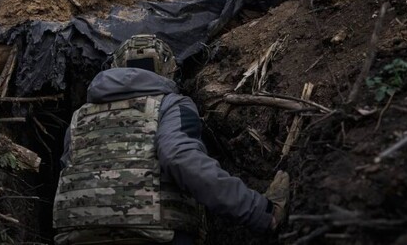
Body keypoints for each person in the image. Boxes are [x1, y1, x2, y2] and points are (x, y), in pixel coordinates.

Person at [53, 34, 290, 244]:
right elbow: (180, 158)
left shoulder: (80, 116)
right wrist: (259, 211)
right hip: (154, 232)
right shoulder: (170, 104)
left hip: (78, 233)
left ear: (115, 67)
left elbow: (69, 170)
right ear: (168, 69)